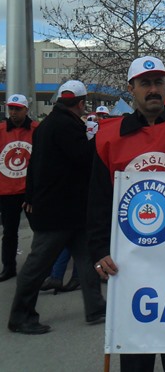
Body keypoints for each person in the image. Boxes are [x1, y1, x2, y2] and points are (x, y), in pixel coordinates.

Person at [87, 56, 165, 372]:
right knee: (135, 353)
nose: (153, 89)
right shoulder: (108, 138)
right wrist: (100, 250)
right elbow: (98, 201)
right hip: (131, 262)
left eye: (158, 82)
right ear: (131, 88)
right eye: (145, 83)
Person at [8, 81, 106, 335]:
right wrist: (99, 138)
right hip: (60, 211)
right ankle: (20, 316)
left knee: (86, 259)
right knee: (38, 265)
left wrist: (30, 195)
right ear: (81, 103)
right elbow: (83, 157)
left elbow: (34, 164)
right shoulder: (67, 126)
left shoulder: (48, 125)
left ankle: (96, 307)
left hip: (63, 209)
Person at [0, 94, 38, 282]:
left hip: (30, 191)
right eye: (11, 109)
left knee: (39, 230)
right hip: (6, 191)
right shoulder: (1, 130)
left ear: (26, 110)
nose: (13, 112)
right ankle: (8, 267)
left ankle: (40, 266)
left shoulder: (36, 130)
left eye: (17, 109)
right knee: (9, 232)